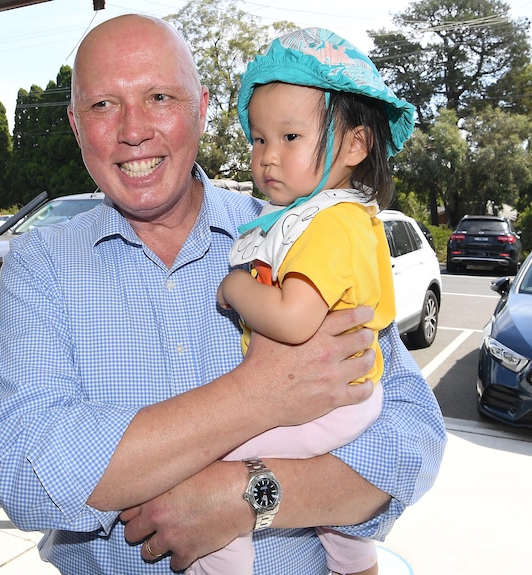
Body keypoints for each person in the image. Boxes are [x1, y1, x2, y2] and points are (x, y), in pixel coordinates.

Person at [0, 14, 446, 575]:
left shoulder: (293, 236)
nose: (133, 129)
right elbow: (24, 475)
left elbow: (412, 435)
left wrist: (248, 498)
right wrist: (258, 393)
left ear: (200, 108)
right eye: (103, 105)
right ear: (77, 127)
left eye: (158, 97)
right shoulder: (40, 268)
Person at [202, 27, 415, 575]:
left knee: (215, 462)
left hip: (330, 402)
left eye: (290, 137)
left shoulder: (328, 224)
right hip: (350, 398)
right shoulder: (331, 215)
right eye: (258, 139)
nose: (268, 157)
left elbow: (295, 321)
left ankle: (223, 565)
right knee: (336, 522)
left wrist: (235, 288)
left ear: (355, 145)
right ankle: (356, 562)